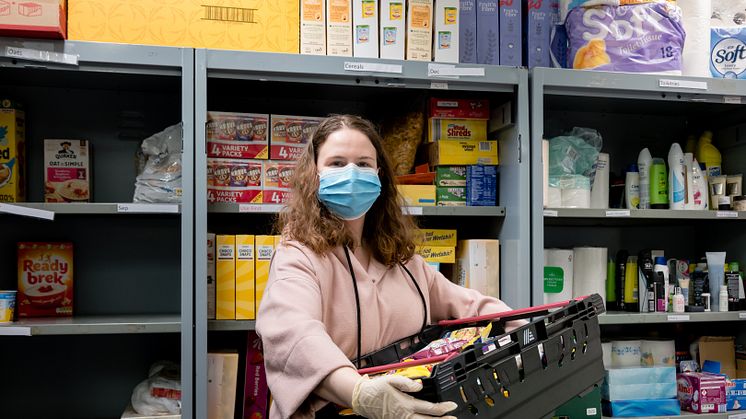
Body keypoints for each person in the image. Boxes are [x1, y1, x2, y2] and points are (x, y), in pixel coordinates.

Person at [256, 115, 518, 419]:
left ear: (379, 174)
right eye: (337, 163)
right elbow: (295, 335)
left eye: (364, 164)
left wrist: (527, 332)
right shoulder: (298, 254)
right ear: (313, 173)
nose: (351, 174)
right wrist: (359, 392)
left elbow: (468, 305)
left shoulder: (399, 257)